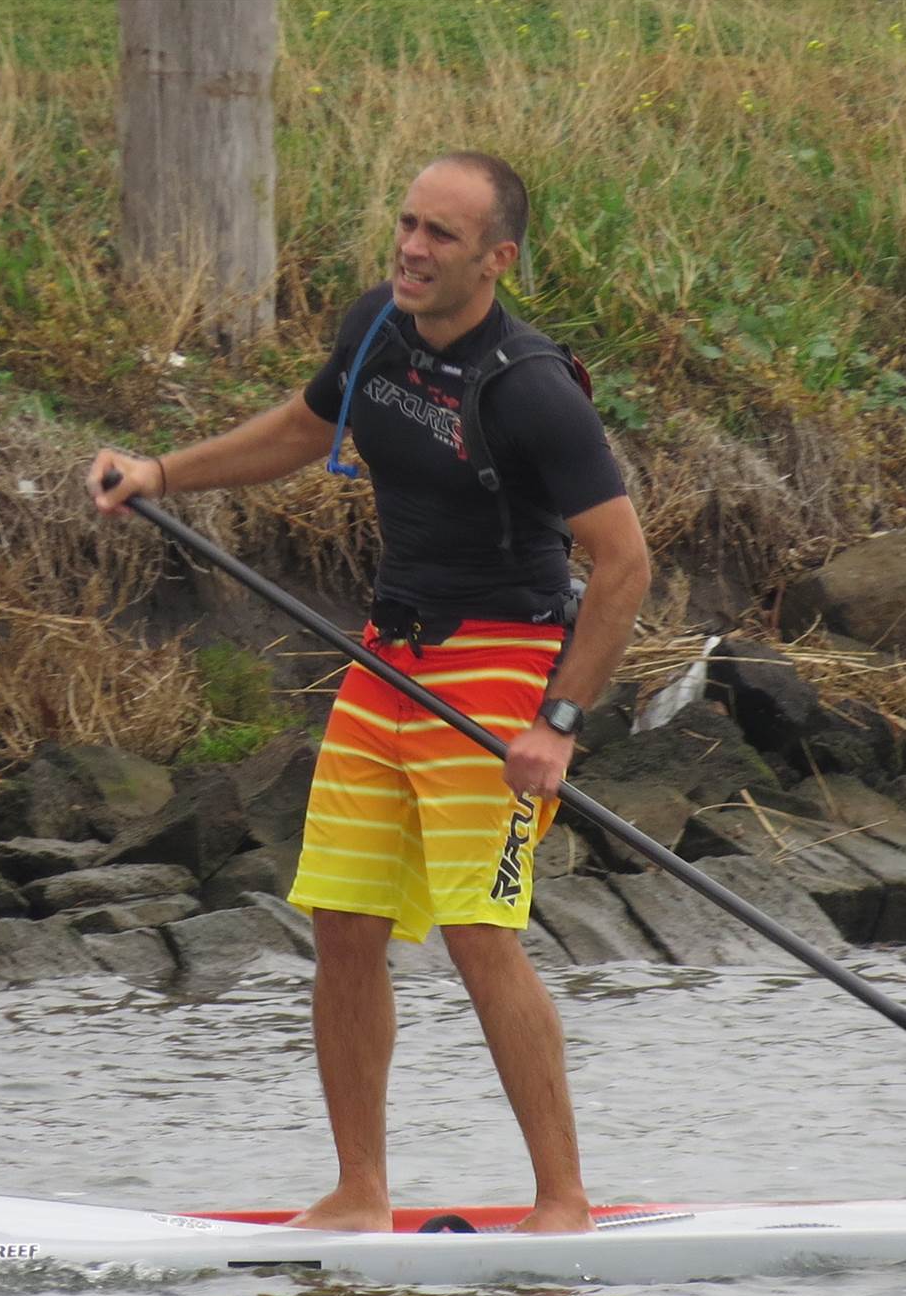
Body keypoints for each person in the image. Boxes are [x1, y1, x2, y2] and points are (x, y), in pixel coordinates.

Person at [90, 152, 651, 1235]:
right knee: (343, 922)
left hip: (498, 665)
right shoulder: (375, 330)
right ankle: (358, 1192)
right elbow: (305, 430)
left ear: (497, 259)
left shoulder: (531, 388)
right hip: (386, 660)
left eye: (439, 234)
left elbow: (622, 564)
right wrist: (161, 472)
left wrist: (557, 724)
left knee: (476, 930)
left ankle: (563, 1203)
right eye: (405, 224)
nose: (410, 247)